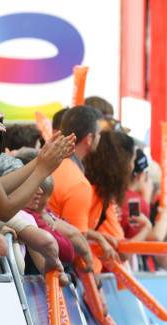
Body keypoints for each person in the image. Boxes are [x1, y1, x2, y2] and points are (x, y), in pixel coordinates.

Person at [48, 105, 118, 265]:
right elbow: (76, 243)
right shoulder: (78, 183)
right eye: (99, 134)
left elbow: (56, 223)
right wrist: (91, 273)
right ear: (89, 139)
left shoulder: (45, 164)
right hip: (54, 272)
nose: (100, 139)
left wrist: (96, 235)